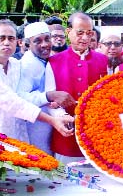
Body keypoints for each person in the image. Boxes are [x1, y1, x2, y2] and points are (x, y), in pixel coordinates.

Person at [0, 19, 74, 142]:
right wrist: (52, 119)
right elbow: (12, 102)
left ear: (17, 42)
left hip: (17, 137)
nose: (7, 43)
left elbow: (28, 94)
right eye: (2, 38)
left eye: (11, 38)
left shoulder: (16, 65)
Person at [45, 12, 108, 164]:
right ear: (68, 32)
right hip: (66, 134)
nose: (85, 38)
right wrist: (62, 117)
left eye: (89, 33)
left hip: (96, 133)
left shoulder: (102, 60)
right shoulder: (54, 61)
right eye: (80, 33)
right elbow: (50, 99)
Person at [18, 22, 76, 155]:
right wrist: (48, 96)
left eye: (47, 39)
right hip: (35, 129)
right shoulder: (27, 65)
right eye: (37, 41)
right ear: (28, 44)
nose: (44, 44)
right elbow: (20, 98)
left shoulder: (44, 60)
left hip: (51, 125)